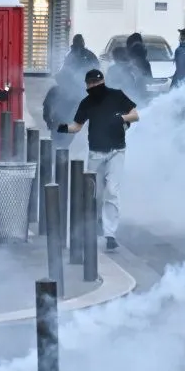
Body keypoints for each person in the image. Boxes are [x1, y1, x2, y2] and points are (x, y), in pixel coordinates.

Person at [55, 69, 140, 251]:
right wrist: (62, 128)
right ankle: (92, 224)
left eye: (96, 82)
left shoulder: (116, 96)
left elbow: (135, 115)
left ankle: (110, 234)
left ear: (103, 81)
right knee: (93, 191)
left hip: (117, 151)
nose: (94, 85)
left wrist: (121, 118)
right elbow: (76, 126)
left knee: (112, 190)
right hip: (96, 153)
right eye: (90, 83)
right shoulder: (86, 103)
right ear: (86, 85)